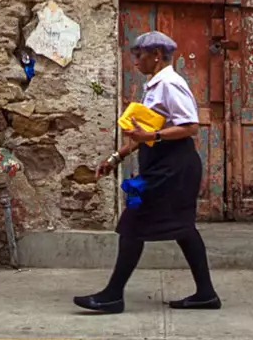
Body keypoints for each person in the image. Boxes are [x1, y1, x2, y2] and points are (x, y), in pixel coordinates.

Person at [73, 32, 220, 315]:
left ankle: (112, 295)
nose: (135, 60)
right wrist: (116, 157)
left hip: (174, 168)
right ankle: (206, 294)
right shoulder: (153, 86)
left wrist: (152, 134)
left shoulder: (170, 84)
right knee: (183, 228)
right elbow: (143, 134)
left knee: (133, 221)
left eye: (139, 54)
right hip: (162, 164)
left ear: (156, 54)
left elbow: (190, 126)